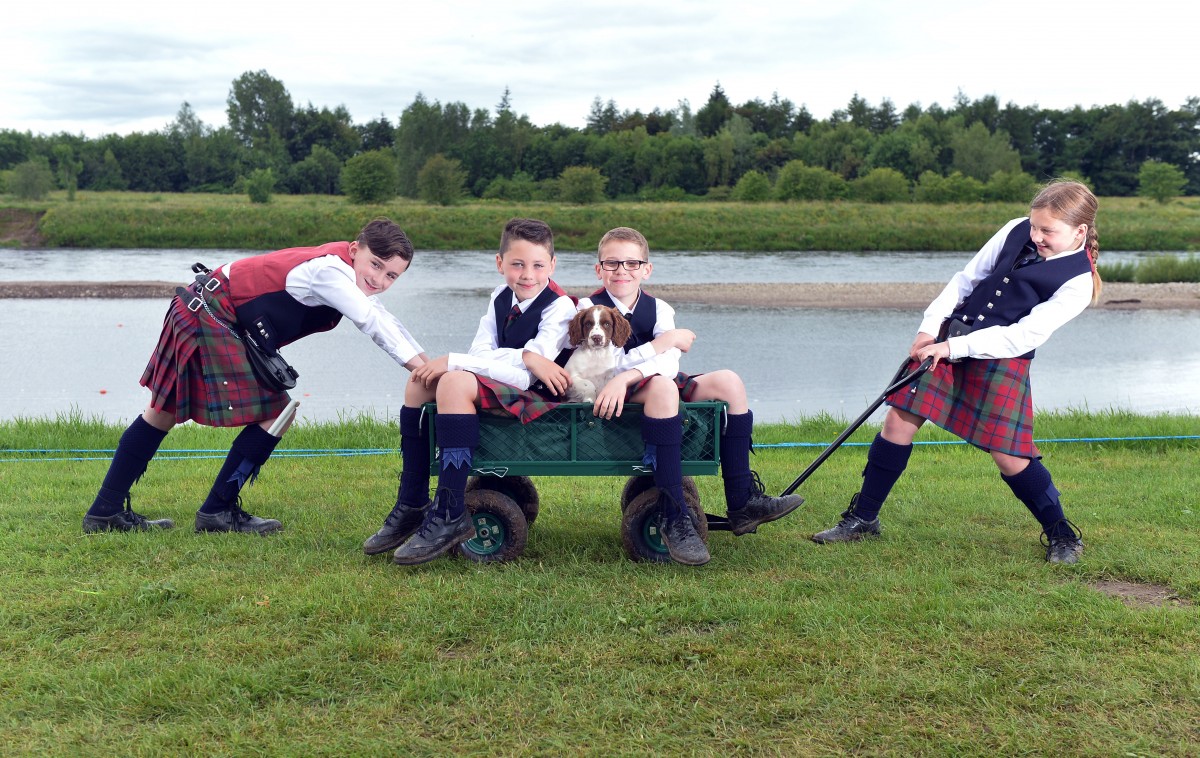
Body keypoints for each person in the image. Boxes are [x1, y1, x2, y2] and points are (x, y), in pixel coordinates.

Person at [811, 180, 1103, 564]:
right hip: (947, 340)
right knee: (897, 423)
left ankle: (1063, 536)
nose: (1036, 236)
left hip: (1000, 359)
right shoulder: (1016, 228)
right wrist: (929, 328)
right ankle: (863, 519)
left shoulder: (1078, 282)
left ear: (1079, 231)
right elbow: (966, 279)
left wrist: (951, 347)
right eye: (1035, 226)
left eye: (1048, 231)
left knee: (1010, 455)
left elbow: (1021, 336)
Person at [82, 218, 428, 535]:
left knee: (162, 412)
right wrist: (421, 371)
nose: (379, 280)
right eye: (376, 265)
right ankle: (214, 511)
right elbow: (371, 320)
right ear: (355, 250)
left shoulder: (344, 270)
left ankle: (106, 511)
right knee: (270, 412)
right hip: (210, 313)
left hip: (207, 309)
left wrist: (429, 365)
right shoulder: (330, 272)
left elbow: (383, 317)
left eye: (391, 276)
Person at [577, 227, 805, 566]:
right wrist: (658, 346)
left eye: (631, 263)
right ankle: (675, 516)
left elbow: (670, 361)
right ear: (599, 269)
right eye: (611, 263)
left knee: (730, 382)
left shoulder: (660, 309)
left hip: (646, 378)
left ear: (646, 269)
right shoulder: (587, 308)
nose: (621, 270)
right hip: (612, 384)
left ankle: (744, 502)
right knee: (665, 387)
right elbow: (604, 361)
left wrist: (637, 369)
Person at [363, 217, 576, 565]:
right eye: (517, 264)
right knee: (419, 382)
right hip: (510, 382)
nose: (528, 275)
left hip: (539, 397)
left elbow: (525, 378)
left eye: (538, 265)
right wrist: (522, 356)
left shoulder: (560, 306)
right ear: (499, 263)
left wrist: (461, 361)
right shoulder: (499, 297)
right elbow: (481, 354)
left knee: (453, 378)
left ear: (552, 265)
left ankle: (449, 512)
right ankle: (412, 501)